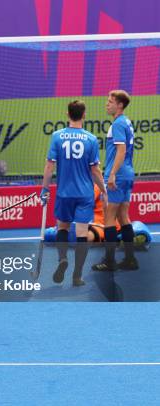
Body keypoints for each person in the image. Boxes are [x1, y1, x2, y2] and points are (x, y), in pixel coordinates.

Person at [40, 100, 107, 286]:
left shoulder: (57, 136)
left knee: (62, 227)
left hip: (64, 193)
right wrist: (103, 190)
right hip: (85, 194)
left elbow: (49, 166)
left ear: (67, 114)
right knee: (82, 234)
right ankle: (77, 276)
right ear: (84, 115)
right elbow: (95, 171)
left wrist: (44, 188)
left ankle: (62, 258)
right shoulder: (91, 139)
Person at [93, 90, 138, 271]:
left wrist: (111, 174)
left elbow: (121, 151)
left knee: (109, 218)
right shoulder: (126, 122)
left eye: (110, 102)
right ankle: (130, 259)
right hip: (127, 173)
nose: (107, 104)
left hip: (117, 175)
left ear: (120, 105)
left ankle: (109, 261)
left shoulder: (118, 124)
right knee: (123, 216)